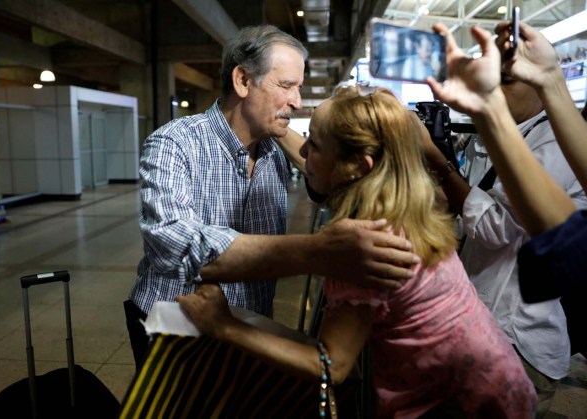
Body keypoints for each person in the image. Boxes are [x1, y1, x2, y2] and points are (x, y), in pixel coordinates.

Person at [177, 86, 536, 418]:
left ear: (357, 168)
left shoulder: (364, 246)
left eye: (314, 145)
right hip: (502, 385)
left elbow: (331, 365)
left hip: (461, 405)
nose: (303, 151)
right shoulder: (409, 202)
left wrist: (224, 326)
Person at [125, 25, 420, 371]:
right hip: (176, 328)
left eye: (298, 87)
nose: (296, 101)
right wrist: (317, 252)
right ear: (243, 81)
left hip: (248, 326)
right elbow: (175, 243)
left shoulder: (274, 148)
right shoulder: (175, 143)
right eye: (286, 86)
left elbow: (333, 178)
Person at [422, 22, 587, 417]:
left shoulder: (553, 143)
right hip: (481, 323)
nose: (498, 87)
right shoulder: (502, 137)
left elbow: (497, 227)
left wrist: (438, 160)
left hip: (518, 336)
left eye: (507, 81)